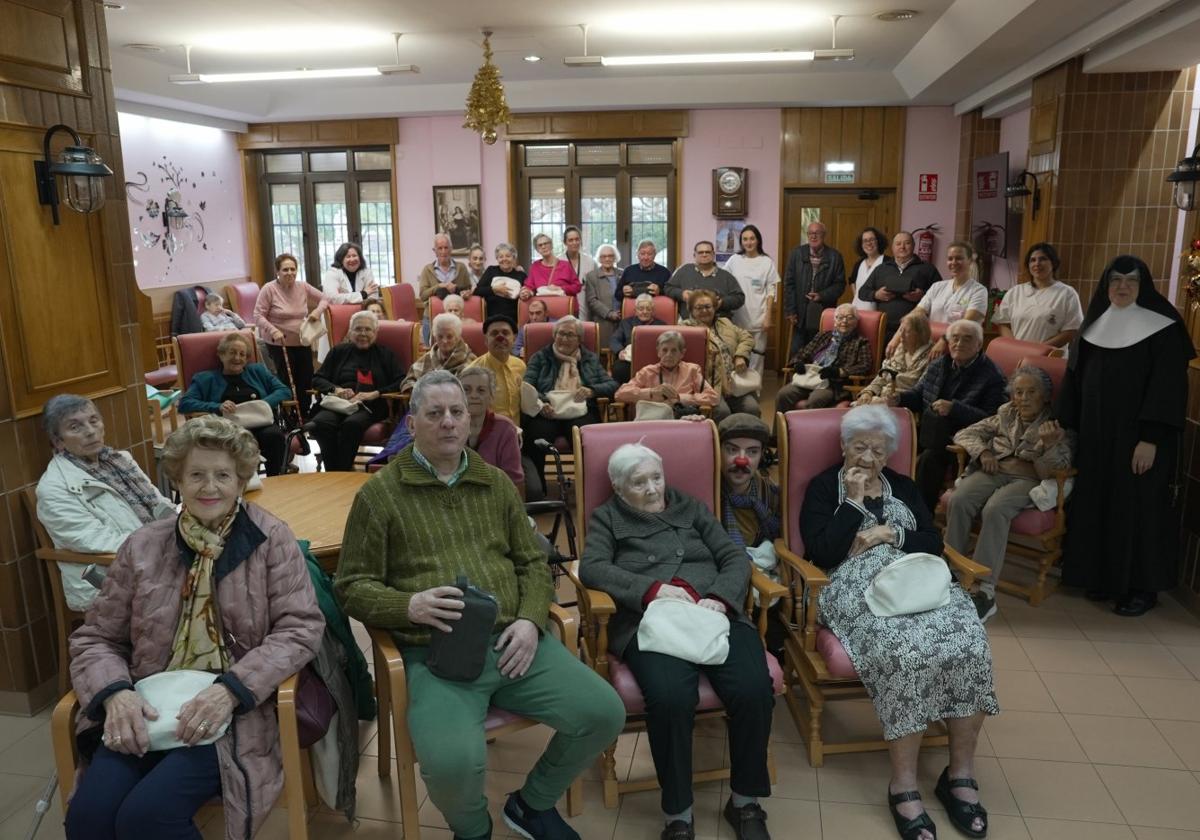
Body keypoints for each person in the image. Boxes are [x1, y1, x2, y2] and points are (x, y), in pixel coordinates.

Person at [336, 370, 624, 840]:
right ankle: (472, 831)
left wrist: (532, 622)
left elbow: (533, 564)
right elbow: (351, 586)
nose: (449, 422)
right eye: (435, 414)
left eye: (458, 412)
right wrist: (409, 605)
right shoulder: (380, 496)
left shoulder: (493, 485)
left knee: (603, 713)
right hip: (436, 655)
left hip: (515, 642)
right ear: (412, 422)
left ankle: (531, 805)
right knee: (451, 763)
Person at [66, 416, 325, 840]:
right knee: (88, 817)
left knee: (147, 817)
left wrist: (230, 690)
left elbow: (300, 628)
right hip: (146, 706)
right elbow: (96, 637)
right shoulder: (143, 545)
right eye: (197, 475)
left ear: (241, 480)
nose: (210, 487)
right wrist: (115, 695)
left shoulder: (270, 539)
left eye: (223, 475)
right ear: (178, 482)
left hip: (235, 711)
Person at [800, 405, 997, 840]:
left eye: (877, 448)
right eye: (859, 446)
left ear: (890, 452)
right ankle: (903, 785)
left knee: (970, 642)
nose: (868, 456)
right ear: (843, 447)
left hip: (918, 580)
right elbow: (822, 554)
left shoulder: (904, 488)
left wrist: (893, 534)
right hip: (852, 586)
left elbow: (934, 543)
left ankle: (959, 774)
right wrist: (852, 505)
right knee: (904, 652)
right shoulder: (822, 489)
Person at [580, 442, 774, 840]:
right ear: (618, 488)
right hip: (651, 621)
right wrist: (652, 589)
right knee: (670, 698)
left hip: (711, 611)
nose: (653, 489)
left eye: (657, 477)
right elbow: (593, 567)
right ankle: (679, 814)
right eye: (639, 482)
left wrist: (720, 598)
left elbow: (735, 558)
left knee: (754, 688)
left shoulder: (690, 506)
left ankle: (745, 802)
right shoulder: (607, 518)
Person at [1056, 255, 1195, 616]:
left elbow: (1168, 390)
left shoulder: (1162, 329)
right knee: (1099, 503)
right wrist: (1064, 422)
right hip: (1097, 437)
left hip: (1140, 442)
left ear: (1143, 286)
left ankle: (1140, 587)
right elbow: (1073, 377)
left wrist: (1151, 438)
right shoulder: (1094, 325)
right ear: (1106, 285)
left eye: (1131, 281)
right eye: (1115, 280)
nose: (1122, 287)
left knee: (1138, 510)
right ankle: (1102, 576)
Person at [945, 366, 1073, 621]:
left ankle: (984, 590)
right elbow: (966, 433)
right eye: (1018, 392)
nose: (1023, 398)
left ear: (1046, 396)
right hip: (995, 469)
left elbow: (1055, 471)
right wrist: (983, 452)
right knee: (959, 499)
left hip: (1028, 478)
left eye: (1031, 392)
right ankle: (951, 572)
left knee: (996, 508)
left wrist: (1049, 446)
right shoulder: (1005, 413)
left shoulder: (1056, 424)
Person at [36, 394, 175, 612]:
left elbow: (160, 505)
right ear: (58, 441)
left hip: (153, 556)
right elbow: (96, 541)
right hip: (106, 578)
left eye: (94, 421)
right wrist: (161, 544)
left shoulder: (121, 460)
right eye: (75, 427)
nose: (90, 431)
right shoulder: (54, 488)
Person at [891, 319, 1007, 512]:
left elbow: (992, 419)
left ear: (979, 345)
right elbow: (918, 395)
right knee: (890, 440)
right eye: (955, 338)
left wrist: (954, 408)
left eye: (967, 339)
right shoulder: (939, 364)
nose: (959, 343)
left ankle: (918, 516)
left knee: (928, 459)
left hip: (961, 441)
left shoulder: (992, 375)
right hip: (930, 430)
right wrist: (897, 398)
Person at [179, 331, 291, 476]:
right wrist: (217, 406)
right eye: (232, 353)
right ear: (221, 354)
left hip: (261, 422)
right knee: (239, 440)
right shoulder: (205, 379)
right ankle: (242, 486)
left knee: (274, 436)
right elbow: (185, 403)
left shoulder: (258, 371)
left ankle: (276, 481)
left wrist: (261, 404)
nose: (237, 358)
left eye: (242, 354)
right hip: (228, 427)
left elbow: (283, 390)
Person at [522, 316, 617, 487]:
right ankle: (539, 489)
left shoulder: (589, 359)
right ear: (554, 335)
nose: (564, 338)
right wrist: (542, 404)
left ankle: (588, 487)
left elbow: (611, 385)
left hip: (579, 410)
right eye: (560, 334)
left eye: (570, 335)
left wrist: (592, 390)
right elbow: (527, 385)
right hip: (548, 412)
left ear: (579, 339)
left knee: (585, 437)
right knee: (535, 435)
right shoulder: (541, 357)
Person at [717, 414, 784, 656]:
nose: (742, 460)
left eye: (752, 452)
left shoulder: (770, 492)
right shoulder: (705, 487)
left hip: (763, 579)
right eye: (732, 450)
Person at [308, 310, 405, 471]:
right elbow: (317, 379)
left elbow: (401, 380)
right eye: (358, 329)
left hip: (369, 406)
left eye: (368, 330)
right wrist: (336, 389)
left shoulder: (385, 355)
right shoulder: (338, 352)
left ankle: (342, 472)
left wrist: (376, 393)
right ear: (350, 332)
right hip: (338, 403)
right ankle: (333, 472)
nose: (363, 334)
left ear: (375, 333)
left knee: (351, 425)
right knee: (321, 423)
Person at [253, 252, 330, 415]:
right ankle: (289, 413)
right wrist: (273, 329)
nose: (290, 273)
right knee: (287, 379)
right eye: (285, 269)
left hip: (302, 340)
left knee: (306, 376)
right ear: (278, 272)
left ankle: (304, 411)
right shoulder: (269, 289)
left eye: (293, 269)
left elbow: (325, 298)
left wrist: (317, 311)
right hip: (278, 342)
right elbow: (258, 315)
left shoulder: (302, 286)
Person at [898, 240, 988, 360]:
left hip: (961, 349)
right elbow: (917, 313)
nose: (953, 262)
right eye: (950, 259)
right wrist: (897, 338)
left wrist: (944, 340)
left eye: (959, 258)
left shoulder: (979, 291)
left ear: (970, 261)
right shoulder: (937, 287)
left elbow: (966, 322)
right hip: (931, 346)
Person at [776, 303, 872, 413]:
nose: (844, 321)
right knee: (783, 395)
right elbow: (803, 353)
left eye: (849, 318)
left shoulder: (860, 342)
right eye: (840, 317)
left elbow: (865, 365)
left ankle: (807, 430)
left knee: (815, 400)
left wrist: (840, 372)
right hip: (809, 378)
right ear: (835, 320)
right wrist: (798, 363)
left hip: (833, 384)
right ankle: (780, 429)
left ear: (856, 322)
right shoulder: (824, 335)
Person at [680, 288, 758, 418]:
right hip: (709, 386)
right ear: (691, 310)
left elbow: (747, 337)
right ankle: (719, 438)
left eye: (708, 306)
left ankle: (747, 437)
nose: (704, 311)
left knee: (752, 409)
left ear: (715, 307)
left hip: (734, 383)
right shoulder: (685, 329)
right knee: (722, 413)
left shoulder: (725, 323)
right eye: (699, 308)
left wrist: (740, 356)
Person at [992, 242, 1084, 349]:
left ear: (1053, 263)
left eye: (1043, 259)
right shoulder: (1015, 292)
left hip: (1049, 358)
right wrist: (1015, 348)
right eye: (1033, 260)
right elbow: (1003, 323)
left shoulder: (1067, 293)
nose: (1037, 264)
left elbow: (1071, 331)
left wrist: (1039, 350)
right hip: (1017, 356)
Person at [857, 232, 940, 342]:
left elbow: (941, 295)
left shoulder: (927, 269)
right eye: (898, 244)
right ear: (892, 247)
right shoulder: (881, 269)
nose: (902, 247)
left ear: (913, 246)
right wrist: (876, 295)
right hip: (884, 328)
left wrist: (922, 295)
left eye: (907, 243)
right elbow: (862, 292)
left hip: (915, 328)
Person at [615, 330, 719, 416]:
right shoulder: (647, 371)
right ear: (658, 352)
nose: (669, 355)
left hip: (683, 420)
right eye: (664, 350)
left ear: (682, 353)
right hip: (654, 420)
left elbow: (713, 397)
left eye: (674, 351)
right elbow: (620, 394)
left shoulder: (692, 370)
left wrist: (680, 398)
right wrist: (651, 392)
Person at [724, 225, 781, 375]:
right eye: (745, 239)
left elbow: (771, 291)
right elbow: (723, 281)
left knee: (757, 356)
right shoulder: (734, 260)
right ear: (741, 242)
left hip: (759, 317)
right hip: (737, 317)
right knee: (737, 354)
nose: (748, 242)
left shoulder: (766, 262)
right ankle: (738, 390)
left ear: (758, 240)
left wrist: (768, 316)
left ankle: (754, 390)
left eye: (752, 239)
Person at [783, 221, 846, 356]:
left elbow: (840, 285)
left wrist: (822, 295)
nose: (813, 236)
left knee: (819, 352)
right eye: (810, 233)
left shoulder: (835, 257)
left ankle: (815, 377)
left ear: (824, 235)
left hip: (823, 312)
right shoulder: (796, 254)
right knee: (796, 351)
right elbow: (789, 284)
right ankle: (796, 377)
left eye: (817, 233)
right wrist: (790, 310)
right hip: (799, 313)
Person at [458, 365, 524, 493]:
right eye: (466, 390)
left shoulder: (505, 428)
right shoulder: (448, 426)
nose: (474, 396)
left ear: (491, 397)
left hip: (494, 498)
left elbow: (514, 481)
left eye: (481, 390)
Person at [854, 312, 934, 406]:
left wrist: (888, 399)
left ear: (920, 334)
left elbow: (919, 391)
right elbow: (881, 377)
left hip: (904, 403)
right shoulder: (897, 350)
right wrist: (868, 392)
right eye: (901, 330)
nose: (902, 335)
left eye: (907, 331)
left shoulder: (931, 357)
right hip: (882, 399)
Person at [467, 314, 526, 423]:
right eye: (494, 334)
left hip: (518, 432)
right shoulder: (473, 372)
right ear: (485, 340)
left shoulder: (520, 366)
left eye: (505, 333)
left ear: (514, 338)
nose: (500, 337)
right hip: (488, 433)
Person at [665, 240, 745, 319]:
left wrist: (722, 302)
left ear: (713, 254)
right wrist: (682, 294)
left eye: (707, 252)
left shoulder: (726, 275)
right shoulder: (684, 271)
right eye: (700, 252)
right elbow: (668, 288)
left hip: (719, 323)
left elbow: (739, 297)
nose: (704, 255)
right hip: (689, 323)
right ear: (694, 255)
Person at [400, 312, 476, 394]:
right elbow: (408, 381)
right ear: (435, 336)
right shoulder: (428, 358)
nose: (444, 341)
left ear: (457, 337)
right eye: (440, 336)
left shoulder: (471, 361)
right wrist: (421, 392)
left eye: (449, 336)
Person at [609, 293, 667, 384]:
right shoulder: (625, 323)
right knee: (619, 369)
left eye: (648, 309)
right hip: (630, 360)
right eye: (641, 309)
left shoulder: (662, 325)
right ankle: (624, 396)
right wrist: (620, 351)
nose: (644, 311)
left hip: (654, 360)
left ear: (652, 311)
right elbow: (614, 340)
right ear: (635, 310)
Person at [476, 242, 528, 326]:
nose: (504, 259)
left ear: (514, 258)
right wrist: (494, 290)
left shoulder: (521, 275)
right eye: (501, 257)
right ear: (497, 259)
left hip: (514, 320)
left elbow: (530, 290)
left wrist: (525, 293)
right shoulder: (491, 271)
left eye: (508, 256)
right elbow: (477, 290)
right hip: (492, 319)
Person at [584, 243, 623, 349]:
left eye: (610, 256)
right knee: (603, 351)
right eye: (603, 256)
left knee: (621, 351)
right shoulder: (592, 276)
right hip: (602, 321)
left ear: (615, 258)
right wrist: (609, 313)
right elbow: (592, 300)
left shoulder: (622, 274)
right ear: (599, 259)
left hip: (622, 320)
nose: (607, 259)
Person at [418, 233, 472, 304]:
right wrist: (439, 286)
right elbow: (422, 296)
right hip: (433, 312)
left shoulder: (461, 267)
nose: (443, 251)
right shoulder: (427, 270)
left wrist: (465, 292)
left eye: (446, 248)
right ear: (435, 251)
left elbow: (468, 289)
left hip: (457, 312)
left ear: (451, 249)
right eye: (440, 248)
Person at [524, 232, 582, 299]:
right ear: (537, 250)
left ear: (551, 245)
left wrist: (561, 288)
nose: (543, 247)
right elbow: (529, 286)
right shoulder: (535, 267)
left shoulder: (565, 265)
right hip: (543, 307)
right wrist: (526, 292)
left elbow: (577, 287)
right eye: (540, 245)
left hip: (563, 306)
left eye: (546, 243)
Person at [616, 240, 671, 306]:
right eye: (642, 254)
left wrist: (660, 291)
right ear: (637, 254)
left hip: (656, 311)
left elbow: (672, 294)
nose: (645, 257)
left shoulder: (664, 272)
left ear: (655, 254)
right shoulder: (628, 270)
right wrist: (623, 292)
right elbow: (617, 295)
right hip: (632, 311)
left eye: (649, 254)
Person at [849, 227, 891, 313]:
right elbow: (852, 281)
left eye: (872, 239)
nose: (869, 243)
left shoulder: (888, 262)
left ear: (878, 241)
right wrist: (856, 296)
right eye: (865, 241)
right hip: (856, 310)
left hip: (878, 312)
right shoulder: (859, 263)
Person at [561, 225, 596, 318]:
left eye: (577, 239)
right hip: (564, 303)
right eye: (571, 240)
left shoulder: (590, 262)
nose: (574, 243)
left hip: (585, 303)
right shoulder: (558, 261)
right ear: (565, 242)